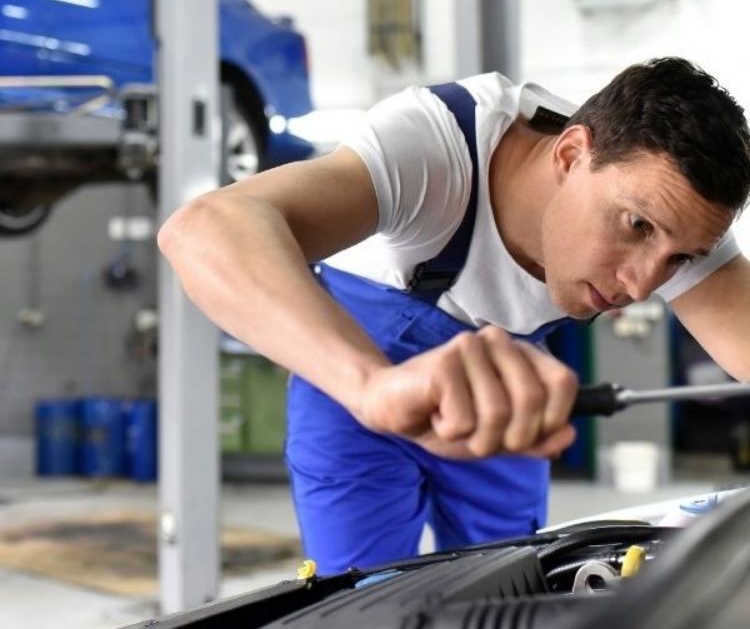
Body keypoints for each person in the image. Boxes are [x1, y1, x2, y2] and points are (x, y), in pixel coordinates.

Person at [159, 56, 750, 574]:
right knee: (364, 600)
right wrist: (372, 385)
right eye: (635, 227)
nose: (642, 285)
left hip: (501, 397)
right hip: (357, 382)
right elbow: (202, 230)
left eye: (679, 258)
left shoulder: (675, 207)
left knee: (511, 589)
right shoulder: (434, 146)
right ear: (570, 155)